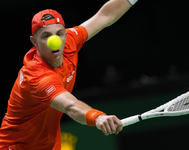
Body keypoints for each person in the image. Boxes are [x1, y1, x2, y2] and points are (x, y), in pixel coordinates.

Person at [0, 0, 138, 149]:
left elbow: (105, 15)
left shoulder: (69, 42)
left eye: (59, 34)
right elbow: (70, 106)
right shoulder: (37, 75)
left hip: (49, 144)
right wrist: (97, 117)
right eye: (46, 36)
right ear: (34, 41)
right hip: (18, 145)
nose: (56, 41)